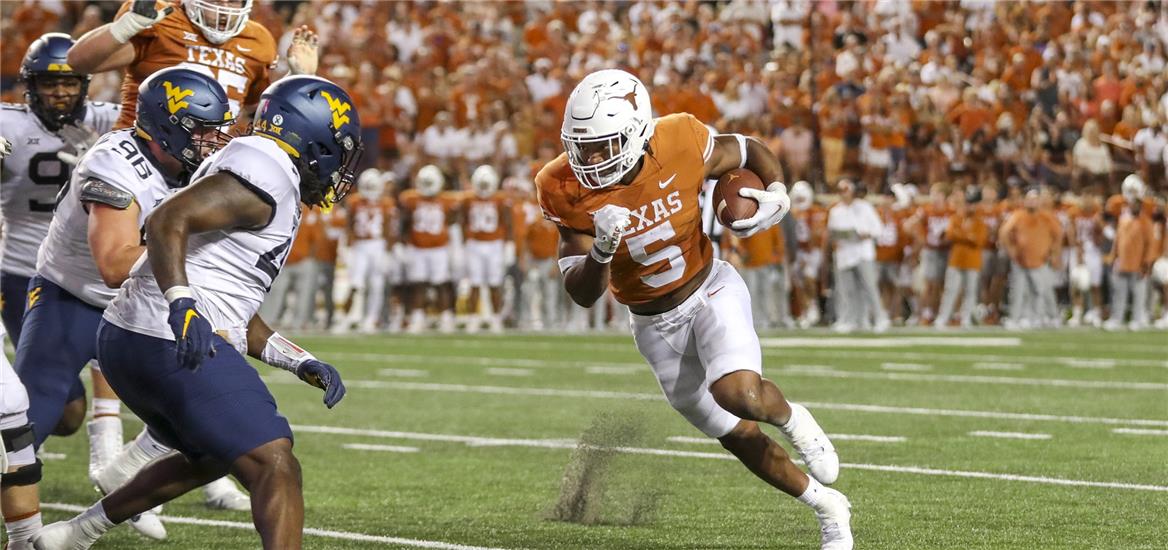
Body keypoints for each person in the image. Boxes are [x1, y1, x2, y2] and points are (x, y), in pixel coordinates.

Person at [33, 75, 359, 550]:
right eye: (337, 149)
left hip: (136, 335)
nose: (339, 166)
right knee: (275, 462)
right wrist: (180, 303)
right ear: (312, 139)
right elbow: (167, 221)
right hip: (163, 335)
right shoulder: (267, 169)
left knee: (214, 452)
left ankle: (75, 534)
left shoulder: (264, 173)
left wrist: (297, 359)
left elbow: (230, 302)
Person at [537, 69, 851, 550]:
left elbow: (747, 149)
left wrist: (778, 192)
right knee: (737, 436)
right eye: (583, 147)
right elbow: (582, 292)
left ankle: (793, 419)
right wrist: (601, 250)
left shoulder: (679, 137)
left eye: (605, 145)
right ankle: (828, 508)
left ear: (640, 131)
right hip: (652, 323)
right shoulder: (560, 185)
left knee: (738, 394)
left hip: (709, 289)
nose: (591, 159)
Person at [12, 67, 232, 542]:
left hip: (145, 299)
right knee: (30, 422)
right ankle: (24, 536)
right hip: (73, 296)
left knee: (214, 406)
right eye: (200, 130)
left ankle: (120, 481)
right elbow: (113, 263)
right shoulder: (116, 161)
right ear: (167, 127)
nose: (213, 143)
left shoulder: (201, 165)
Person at [0, 33, 120, 483]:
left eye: (70, 82)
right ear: (30, 86)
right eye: (50, 84)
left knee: (70, 416)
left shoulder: (109, 119)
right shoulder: (8, 125)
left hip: (92, 275)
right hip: (23, 274)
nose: (61, 92)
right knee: (59, 409)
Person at [66, 0, 317, 129]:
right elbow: (78, 62)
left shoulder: (258, 39)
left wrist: (295, 79)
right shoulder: (163, 17)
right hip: (140, 151)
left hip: (205, 168)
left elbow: (255, 111)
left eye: (233, 1)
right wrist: (125, 27)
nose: (225, 9)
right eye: (217, 0)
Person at [399, 165, 460, 333]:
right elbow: (405, 223)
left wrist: (455, 247)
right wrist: (403, 244)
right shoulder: (411, 199)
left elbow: (452, 222)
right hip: (418, 248)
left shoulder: (447, 200)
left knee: (441, 284)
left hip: (439, 248)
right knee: (418, 284)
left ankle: (446, 318)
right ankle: (418, 318)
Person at [827, 179, 889, 332]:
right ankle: (850, 320)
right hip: (844, 254)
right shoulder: (835, 211)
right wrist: (837, 239)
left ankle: (880, 318)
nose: (843, 194)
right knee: (847, 290)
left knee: (870, 287)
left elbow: (879, 229)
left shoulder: (865, 207)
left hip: (863, 252)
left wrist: (866, 234)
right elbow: (831, 233)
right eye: (841, 191)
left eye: (846, 190)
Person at [999, 189, 1063, 329]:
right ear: (1024, 201)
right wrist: (1011, 250)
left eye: (1035, 199)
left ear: (1039, 201)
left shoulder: (1047, 217)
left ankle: (1047, 317)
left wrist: (1053, 254)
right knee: (1018, 291)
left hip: (1041, 260)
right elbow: (1004, 233)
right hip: (1020, 260)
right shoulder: (1018, 216)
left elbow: (1058, 236)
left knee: (1044, 291)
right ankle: (1015, 319)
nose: (1032, 202)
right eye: (1029, 199)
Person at [462, 165, 512, 333]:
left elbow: (507, 223)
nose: (483, 188)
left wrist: (509, 244)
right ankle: (473, 318)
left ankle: (495, 318)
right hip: (474, 243)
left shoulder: (500, 199)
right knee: (474, 283)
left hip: (494, 244)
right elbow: (463, 221)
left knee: (494, 284)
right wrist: (462, 243)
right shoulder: (468, 199)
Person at [934, 188, 988, 328]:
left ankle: (966, 318)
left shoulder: (980, 221)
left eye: (973, 204)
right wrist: (968, 236)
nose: (970, 206)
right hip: (956, 260)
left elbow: (980, 240)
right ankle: (943, 317)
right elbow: (950, 235)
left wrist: (962, 234)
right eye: (968, 203)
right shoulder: (955, 218)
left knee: (970, 292)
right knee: (950, 290)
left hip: (973, 261)